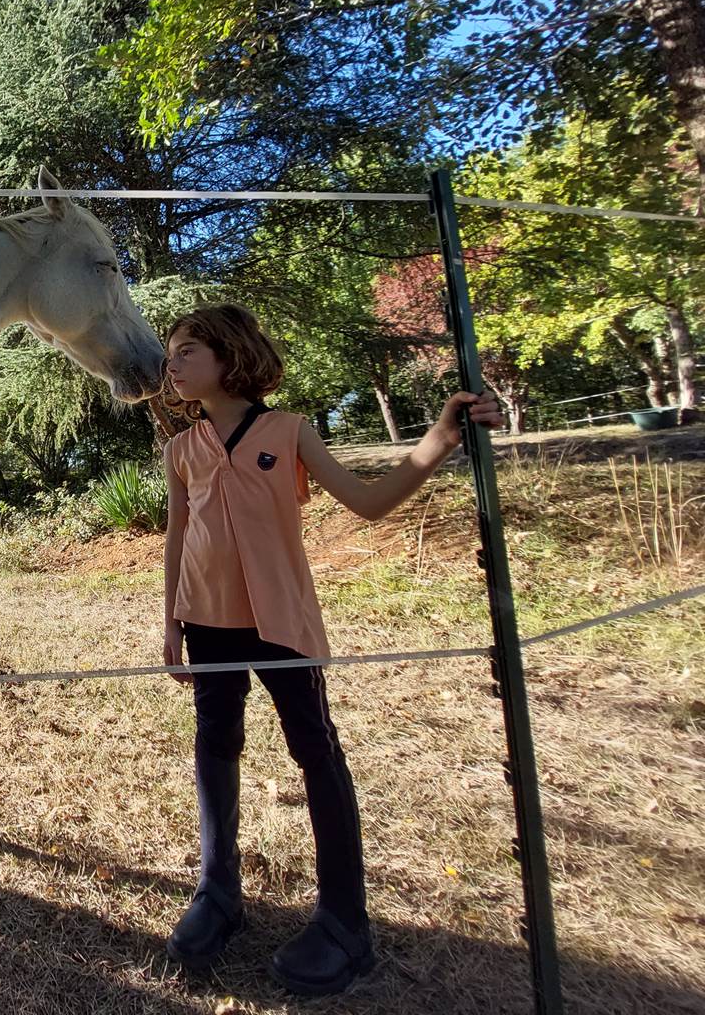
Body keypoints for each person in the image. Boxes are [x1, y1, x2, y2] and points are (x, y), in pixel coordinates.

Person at [159, 304, 502, 996]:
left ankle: (345, 922)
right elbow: (178, 537)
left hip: (282, 623)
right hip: (206, 622)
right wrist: (171, 624)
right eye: (171, 352)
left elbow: (369, 501)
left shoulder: (288, 432)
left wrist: (441, 437)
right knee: (215, 742)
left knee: (315, 749)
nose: (173, 363)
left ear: (230, 355)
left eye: (187, 349)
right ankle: (218, 892)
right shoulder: (180, 449)